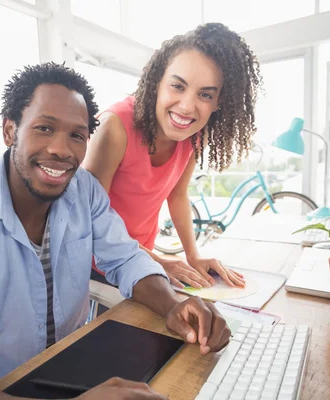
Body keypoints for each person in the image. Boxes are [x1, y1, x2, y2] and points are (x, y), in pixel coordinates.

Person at [0, 63, 231, 400]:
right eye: (44, 128)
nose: (61, 150)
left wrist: (174, 305)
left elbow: (126, 258)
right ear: (9, 130)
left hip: (69, 369)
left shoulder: (84, 192)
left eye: (76, 136)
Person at [84, 23, 262, 290]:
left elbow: (177, 194)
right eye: (178, 86)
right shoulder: (115, 127)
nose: (187, 106)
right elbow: (90, 221)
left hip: (143, 256)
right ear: (157, 81)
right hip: (99, 262)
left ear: (219, 103)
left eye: (205, 94)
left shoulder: (193, 135)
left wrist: (193, 255)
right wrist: (161, 262)